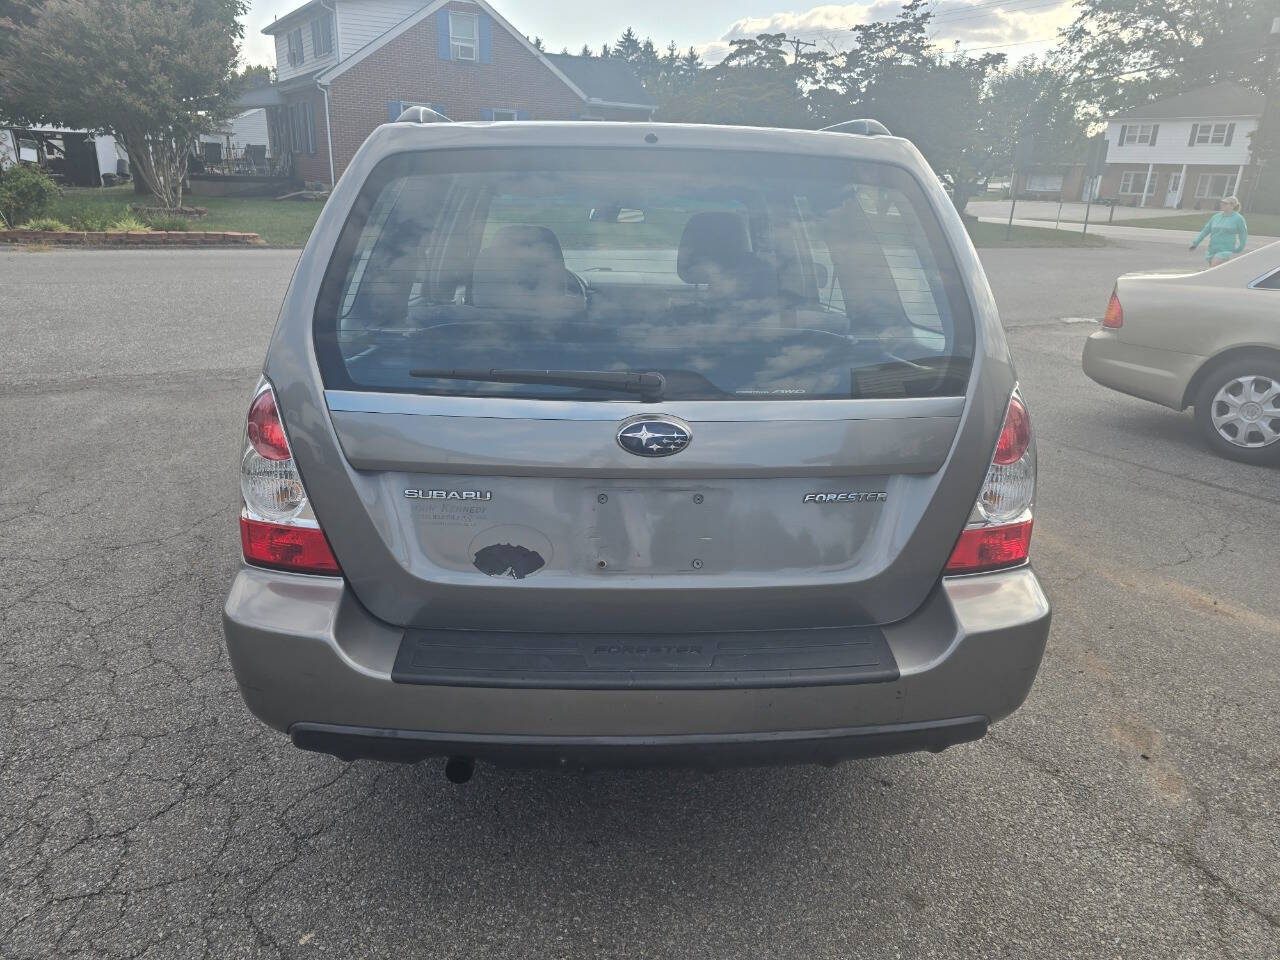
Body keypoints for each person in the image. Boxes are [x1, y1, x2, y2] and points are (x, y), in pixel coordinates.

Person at [1189, 196, 1248, 265]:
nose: (1222, 204)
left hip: (1226, 250)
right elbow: (1205, 231)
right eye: (1222, 203)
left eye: (1225, 203)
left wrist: (1241, 247)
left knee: (1213, 267)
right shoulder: (1216, 217)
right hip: (1212, 249)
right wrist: (1195, 243)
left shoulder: (1238, 218)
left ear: (1232, 205)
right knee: (1214, 271)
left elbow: (1243, 233)